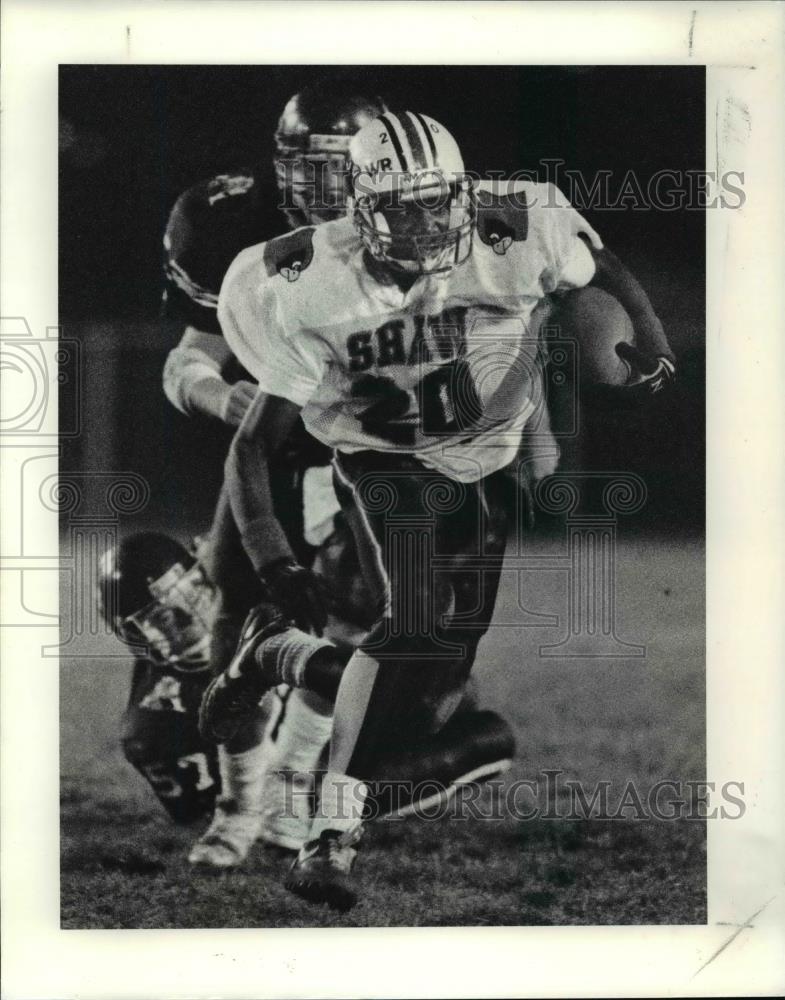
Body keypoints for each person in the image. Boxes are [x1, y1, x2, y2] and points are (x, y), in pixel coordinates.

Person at [203, 109, 677, 909]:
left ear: (462, 193)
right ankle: (331, 834)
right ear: (359, 207)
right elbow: (253, 446)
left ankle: (273, 657)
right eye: (402, 207)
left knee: (425, 691)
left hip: (483, 455)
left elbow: (599, 273)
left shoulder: (516, 221)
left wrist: (651, 344)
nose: (425, 224)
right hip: (381, 455)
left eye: (437, 203)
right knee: (416, 615)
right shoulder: (303, 281)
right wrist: (272, 558)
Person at [160, 87, 517, 867]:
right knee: (229, 612)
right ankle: (235, 806)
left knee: (375, 636)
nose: (326, 191)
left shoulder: (424, 222)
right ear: (281, 165)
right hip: (280, 442)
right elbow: (182, 363)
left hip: (382, 452)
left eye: (342, 170)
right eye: (309, 169)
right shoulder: (236, 227)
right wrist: (227, 398)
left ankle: (295, 795)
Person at [99, 532, 515, 842]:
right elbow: (225, 809)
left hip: (332, 727)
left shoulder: (244, 597)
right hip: (307, 781)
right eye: (161, 617)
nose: (187, 616)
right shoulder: (153, 730)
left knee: (448, 699)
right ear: (136, 638)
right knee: (490, 735)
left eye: (189, 592)